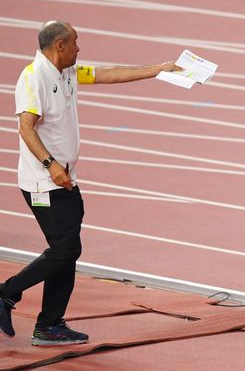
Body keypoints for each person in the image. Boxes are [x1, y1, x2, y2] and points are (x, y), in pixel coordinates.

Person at [0, 20, 182, 346]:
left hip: (64, 180)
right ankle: (7, 295)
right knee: (67, 249)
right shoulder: (34, 78)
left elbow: (107, 73)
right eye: (75, 42)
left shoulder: (67, 71)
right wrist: (51, 165)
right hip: (44, 182)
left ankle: (49, 324)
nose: (79, 48)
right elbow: (26, 128)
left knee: (65, 250)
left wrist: (159, 69)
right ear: (59, 46)